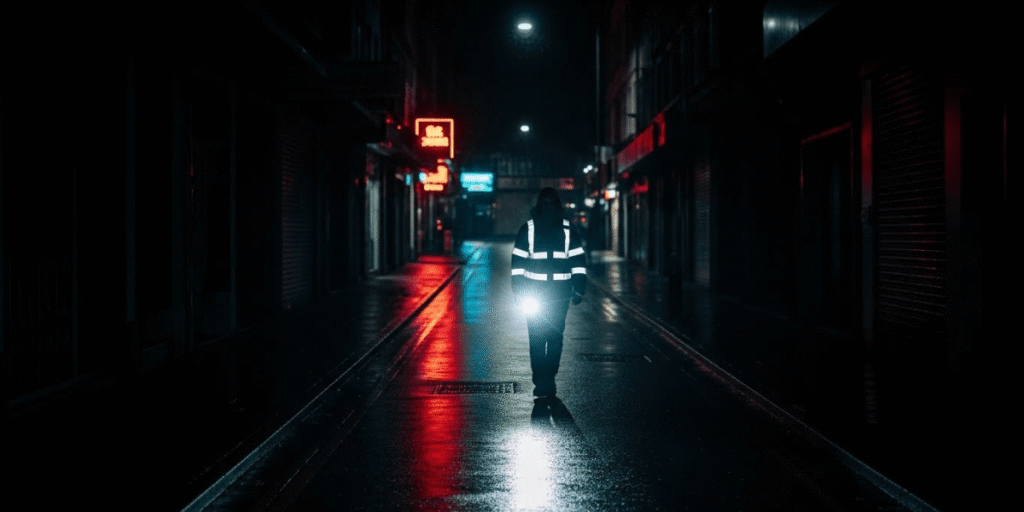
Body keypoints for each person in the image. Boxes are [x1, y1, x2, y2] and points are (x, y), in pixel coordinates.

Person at [510, 187, 587, 397]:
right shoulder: (528, 230)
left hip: (559, 295)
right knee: (537, 338)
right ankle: (541, 379)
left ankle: (548, 378)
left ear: (557, 206)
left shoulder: (568, 230)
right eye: (544, 203)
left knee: (553, 337)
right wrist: (518, 290)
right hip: (535, 294)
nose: (548, 208)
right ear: (539, 205)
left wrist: (579, 289)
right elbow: (517, 264)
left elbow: (578, 261)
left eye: (551, 204)